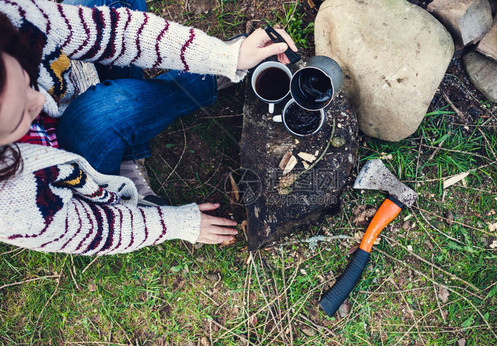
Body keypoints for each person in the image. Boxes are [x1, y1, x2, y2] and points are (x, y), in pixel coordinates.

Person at [0, 0, 297, 255]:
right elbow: (95, 229)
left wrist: (226, 56)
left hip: (76, 83)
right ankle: (189, 92)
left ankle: (139, 132)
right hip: (77, 173)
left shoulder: (9, 18)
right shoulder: (10, 208)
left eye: (26, 78)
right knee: (108, 110)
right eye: (18, 119)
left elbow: (121, 31)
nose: (39, 99)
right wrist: (176, 223)